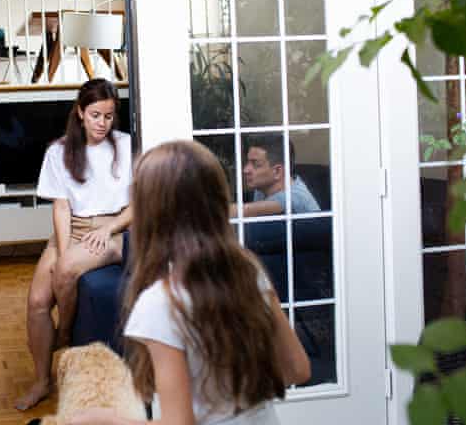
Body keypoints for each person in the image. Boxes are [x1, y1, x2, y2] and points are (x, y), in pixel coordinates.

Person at [68, 140, 310, 425]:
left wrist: (107, 420)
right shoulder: (248, 270)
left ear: (152, 216)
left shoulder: (160, 303)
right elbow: (297, 369)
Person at [15, 78, 133, 411]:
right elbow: (61, 208)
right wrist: (65, 253)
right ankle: (41, 381)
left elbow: (137, 204)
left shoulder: (125, 146)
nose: (102, 123)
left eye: (108, 116)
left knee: (65, 269)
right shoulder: (59, 151)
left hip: (112, 231)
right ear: (80, 112)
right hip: (71, 227)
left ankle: (63, 336)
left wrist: (109, 228)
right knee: (38, 300)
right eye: (96, 115)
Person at [242, 135, 320, 215]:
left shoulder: (293, 198)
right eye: (247, 162)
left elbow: (237, 211)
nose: (245, 170)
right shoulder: (263, 187)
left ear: (277, 171)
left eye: (255, 164)